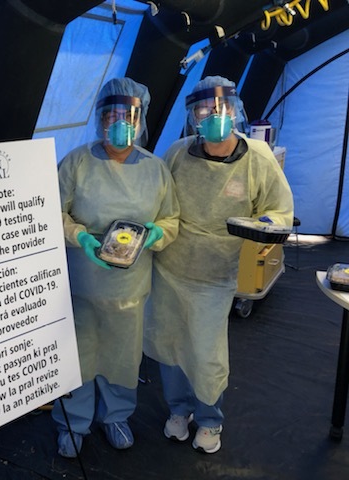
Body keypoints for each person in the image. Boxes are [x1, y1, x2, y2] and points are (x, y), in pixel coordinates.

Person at [144, 76, 294, 454]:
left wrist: (262, 225)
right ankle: (179, 410)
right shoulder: (178, 153)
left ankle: (210, 419)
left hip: (215, 273)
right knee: (170, 345)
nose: (213, 115)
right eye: (204, 110)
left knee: (207, 352)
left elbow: (279, 210)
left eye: (221, 108)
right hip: (170, 265)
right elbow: (158, 203)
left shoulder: (257, 157)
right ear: (193, 116)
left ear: (235, 111)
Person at [52, 77, 179, 458]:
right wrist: (81, 238)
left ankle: (116, 416)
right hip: (82, 282)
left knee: (123, 357)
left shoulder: (155, 170)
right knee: (79, 353)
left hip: (129, 288)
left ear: (139, 121)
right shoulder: (76, 162)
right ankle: (72, 423)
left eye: (127, 116)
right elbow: (50, 213)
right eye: (111, 116)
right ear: (99, 119)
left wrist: (157, 234)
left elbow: (171, 219)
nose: (119, 124)